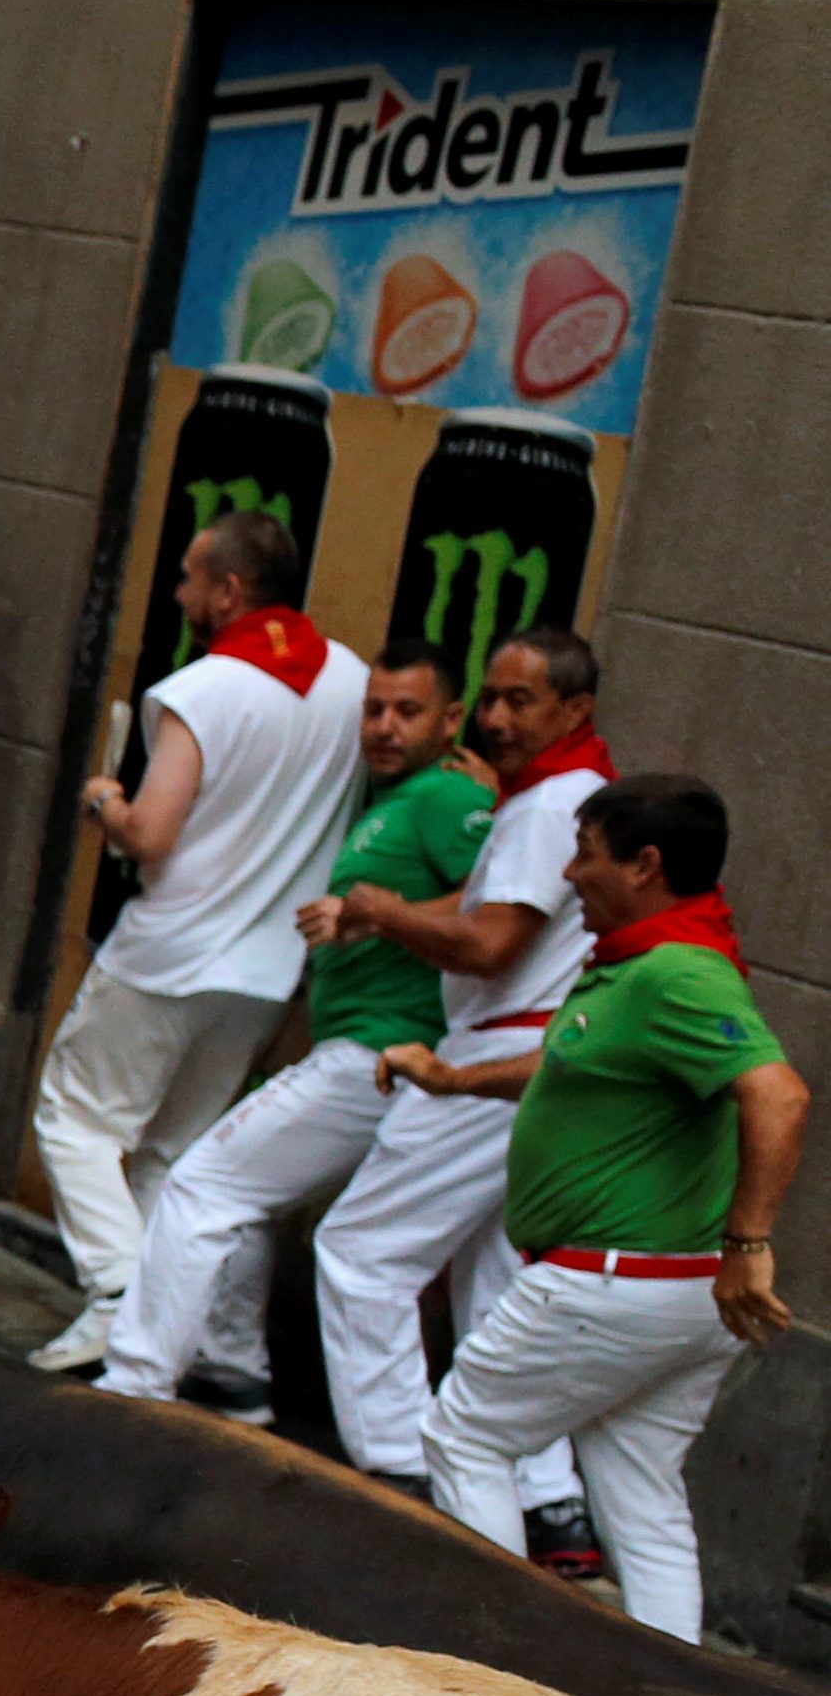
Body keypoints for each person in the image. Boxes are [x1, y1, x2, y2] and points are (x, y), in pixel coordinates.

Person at [397, 775, 801, 1638]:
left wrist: (749, 1245)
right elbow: (568, 1067)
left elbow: (779, 1095)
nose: (572, 874)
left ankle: (491, 1663)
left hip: (615, 1287)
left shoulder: (678, 975)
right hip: (668, 1296)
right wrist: (456, 1077)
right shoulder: (643, 968)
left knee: (464, 1436)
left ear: (645, 865)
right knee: (640, 1488)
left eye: (587, 853)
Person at [96, 643, 490, 1420]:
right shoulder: (389, 799)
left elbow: (505, 904)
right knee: (244, 1199)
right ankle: (236, 1373)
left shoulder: (446, 800)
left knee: (202, 1186)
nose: (383, 726)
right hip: (360, 1049)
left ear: (451, 721)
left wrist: (375, 912)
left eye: (407, 711)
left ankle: (131, 1390)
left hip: (388, 1053)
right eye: (373, 709)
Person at [25, 513, 365, 1370]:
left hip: (169, 950)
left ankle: (114, 1292)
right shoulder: (354, 683)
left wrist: (106, 801)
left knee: (76, 1118)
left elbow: (151, 835)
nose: (178, 594)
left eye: (187, 576)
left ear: (230, 590)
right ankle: (170, 1337)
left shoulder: (202, 689)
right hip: (267, 968)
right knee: (174, 1155)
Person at [312, 625, 612, 1490]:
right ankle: (538, 1495)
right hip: (534, 1052)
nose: (498, 717)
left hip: (501, 1049)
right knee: (493, 1280)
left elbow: (489, 942)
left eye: (522, 700)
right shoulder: (560, 794)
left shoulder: (554, 802)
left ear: (576, 709)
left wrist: (378, 906)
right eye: (491, 697)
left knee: (361, 1249)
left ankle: (398, 1473)